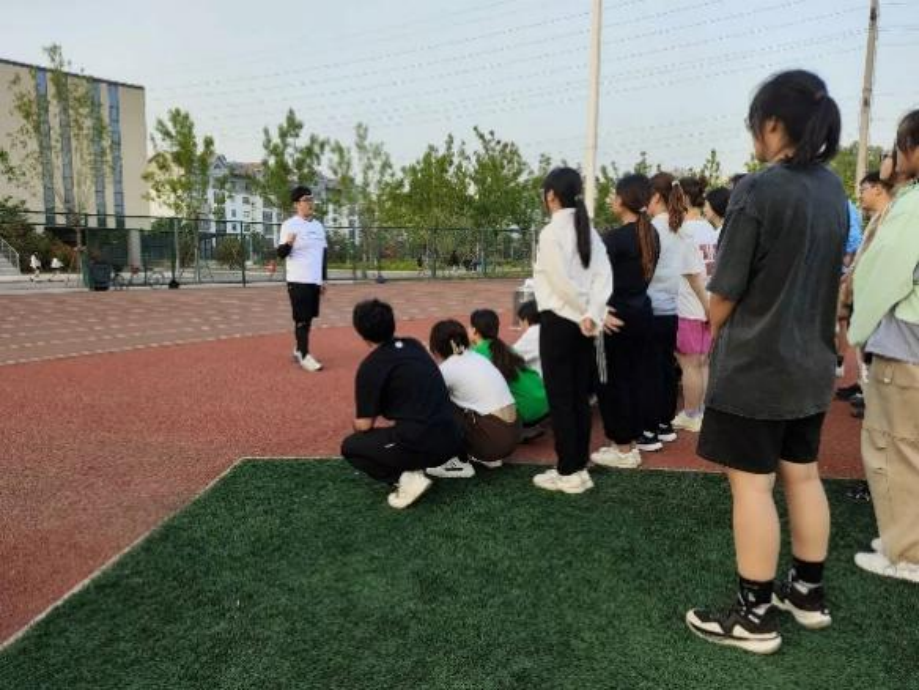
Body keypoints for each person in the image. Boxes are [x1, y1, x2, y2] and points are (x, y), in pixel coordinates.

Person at [686, 70, 848, 654]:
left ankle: (754, 616)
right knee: (803, 474)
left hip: (757, 368)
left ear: (773, 124)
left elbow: (724, 292)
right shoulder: (833, 190)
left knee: (752, 488)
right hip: (811, 365)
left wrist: (716, 323)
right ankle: (807, 593)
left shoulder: (758, 190)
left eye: (756, 123)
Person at [849, 109, 919, 583]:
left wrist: (857, 327)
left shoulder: (911, 206)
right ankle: (904, 537)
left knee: (894, 446)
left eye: (897, 147)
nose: (892, 157)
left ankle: (906, 553)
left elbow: (881, 275)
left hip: (907, 341)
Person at [531, 167, 612, 494]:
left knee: (562, 398)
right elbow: (603, 276)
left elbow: (560, 282)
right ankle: (578, 465)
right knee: (578, 396)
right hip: (584, 324)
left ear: (551, 195)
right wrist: (592, 313)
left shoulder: (551, 233)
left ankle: (569, 471)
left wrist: (584, 312)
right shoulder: (588, 230)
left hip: (560, 322)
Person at [341, 300, 463, 509]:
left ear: (361, 332)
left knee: (351, 446)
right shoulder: (414, 345)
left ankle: (406, 478)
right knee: (408, 427)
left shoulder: (370, 367)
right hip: (453, 438)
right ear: (392, 323)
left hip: (424, 443)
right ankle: (414, 465)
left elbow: (364, 425)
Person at [590, 173, 661, 468]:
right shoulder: (651, 234)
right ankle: (627, 444)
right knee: (634, 379)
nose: (611, 199)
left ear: (622, 200)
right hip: (641, 314)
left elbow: (592, 280)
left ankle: (623, 449)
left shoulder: (615, 239)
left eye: (614, 195)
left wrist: (598, 311)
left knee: (611, 382)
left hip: (614, 319)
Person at [428, 319, 522, 477]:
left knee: (436, 404)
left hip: (493, 440)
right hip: (514, 432)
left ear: (436, 347)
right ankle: (488, 456)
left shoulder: (447, 369)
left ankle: (458, 461)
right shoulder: (477, 357)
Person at [645, 172, 701, 442]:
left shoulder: (650, 229)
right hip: (673, 309)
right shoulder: (682, 229)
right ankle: (664, 424)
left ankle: (649, 428)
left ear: (656, 197)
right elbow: (692, 272)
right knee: (667, 367)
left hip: (650, 307)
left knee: (649, 370)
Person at [673, 177, 715, 434]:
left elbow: (690, 273)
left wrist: (704, 304)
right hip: (708, 302)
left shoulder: (684, 231)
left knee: (689, 363)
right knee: (703, 362)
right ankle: (700, 411)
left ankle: (691, 414)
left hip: (691, 304)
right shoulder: (708, 228)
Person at [469, 308, 549, 438]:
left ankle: (513, 429)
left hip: (527, 411)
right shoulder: (504, 347)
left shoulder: (477, 355)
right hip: (544, 402)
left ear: (474, 330)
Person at [277, 186, 328, 372]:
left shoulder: (318, 226)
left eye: (311, 199)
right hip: (298, 279)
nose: (310, 203)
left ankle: (299, 348)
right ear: (296, 204)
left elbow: (324, 254)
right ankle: (305, 355)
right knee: (302, 319)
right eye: (306, 200)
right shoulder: (289, 225)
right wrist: (289, 243)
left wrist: (323, 279)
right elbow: (281, 254)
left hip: (314, 280)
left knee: (309, 319)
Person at [836, 200, 865, 378]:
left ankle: (838, 362)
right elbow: (855, 239)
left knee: (840, 319)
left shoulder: (844, 206)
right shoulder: (848, 206)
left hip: (836, 270)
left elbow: (854, 239)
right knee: (842, 320)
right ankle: (839, 362)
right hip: (843, 270)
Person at [513, 299, 542, 376]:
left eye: (520, 322)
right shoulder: (548, 329)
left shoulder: (533, 333)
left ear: (525, 321)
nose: (520, 327)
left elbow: (510, 356)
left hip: (541, 380)